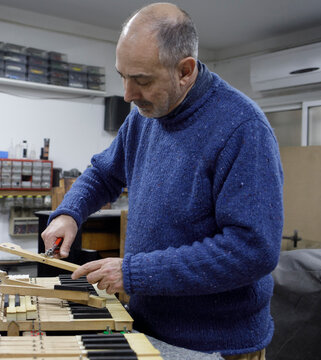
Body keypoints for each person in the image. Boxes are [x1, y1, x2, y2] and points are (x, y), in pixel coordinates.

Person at [41, 2, 283, 359]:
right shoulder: (144, 116)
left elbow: (253, 250)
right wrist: (70, 212)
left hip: (217, 346)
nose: (127, 94)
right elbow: (105, 172)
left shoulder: (243, 129)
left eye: (141, 81)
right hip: (149, 329)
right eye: (122, 76)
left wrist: (135, 272)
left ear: (185, 71)